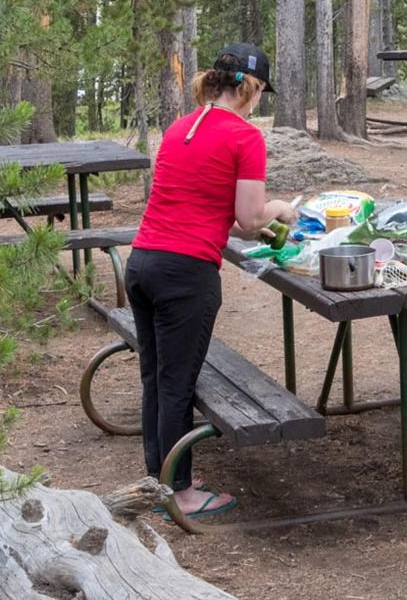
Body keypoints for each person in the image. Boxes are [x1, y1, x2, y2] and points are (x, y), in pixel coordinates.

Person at [126, 43, 297, 519]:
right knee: (177, 381)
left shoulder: (182, 126)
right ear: (251, 87)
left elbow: (197, 201)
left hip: (142, 263)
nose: (261, 100)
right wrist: (278, 209)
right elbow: (248, 217)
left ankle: (158, 478)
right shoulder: (245, 137)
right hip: (186, 274)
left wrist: (246, 218)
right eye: (262, 91)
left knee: (156, 378)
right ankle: (179, 494)